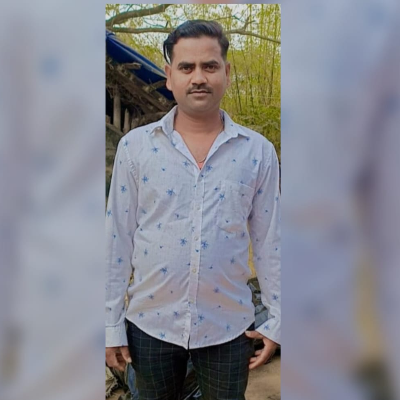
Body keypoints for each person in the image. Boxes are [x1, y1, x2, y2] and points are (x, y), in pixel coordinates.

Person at [105, 20, 281, 400]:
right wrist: (109, 323)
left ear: (226, 73)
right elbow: (117, 238)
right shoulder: (136, 149)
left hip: (228, 328)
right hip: (150, 325)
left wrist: (278, 318)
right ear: (169, 76)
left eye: (209, 66)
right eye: (186, 67)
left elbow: (270, 241)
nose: (198, 77)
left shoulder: (257, 153)